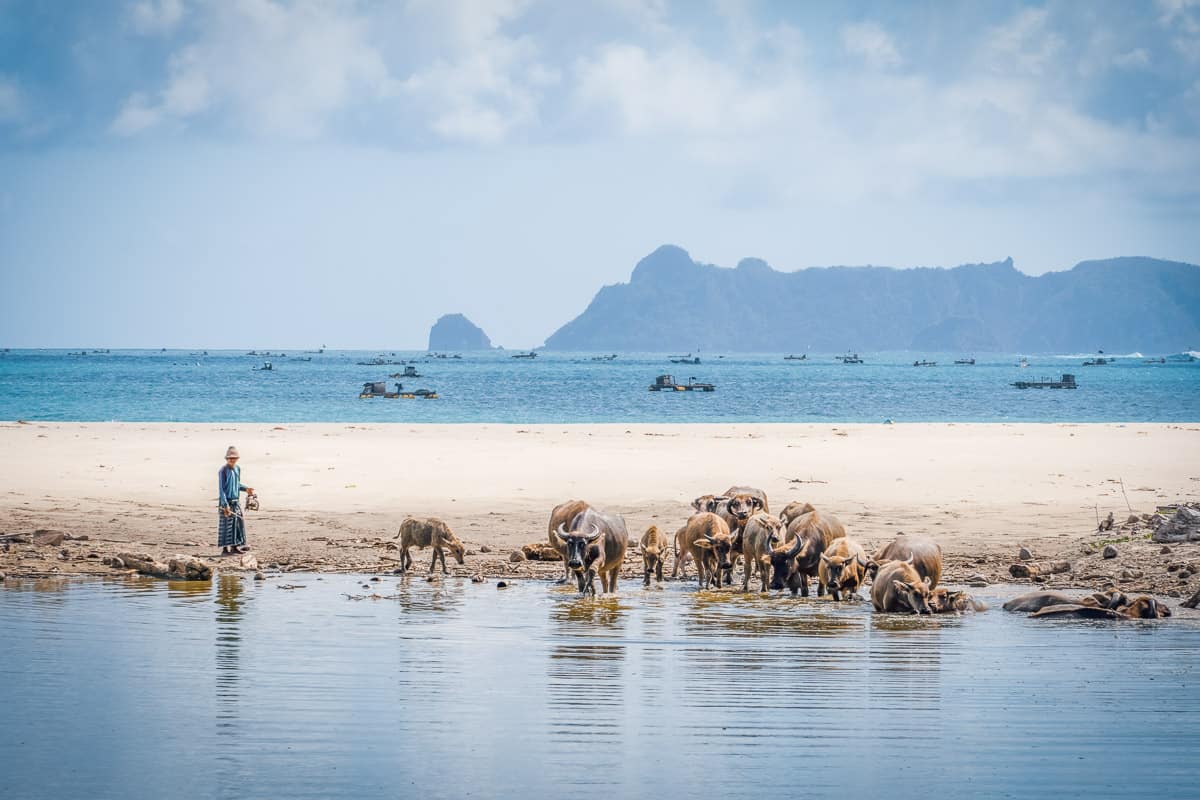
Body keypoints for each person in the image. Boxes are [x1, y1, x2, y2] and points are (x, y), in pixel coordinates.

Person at [217, 446, 255, 556]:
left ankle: (235, 547)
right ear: (226, 459)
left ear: (237, 459)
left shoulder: (238, 468)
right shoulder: (223, 470)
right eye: (230, 458)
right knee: (226, 525)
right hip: (226, 502)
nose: (232, 460)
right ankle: (225, 550)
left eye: (234, 458)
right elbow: (221, 489)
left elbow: (237, 484)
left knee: (237, 523)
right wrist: (225, 505)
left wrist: (246, 489)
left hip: (235, 501)